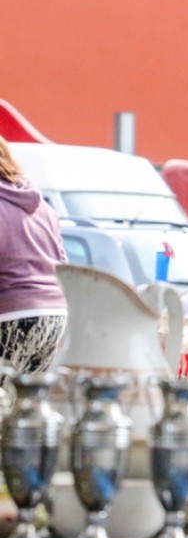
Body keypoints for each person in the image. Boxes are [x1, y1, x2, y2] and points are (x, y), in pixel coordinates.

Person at [0, 135, 68, 376]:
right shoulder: (42, 207)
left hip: (10, 316)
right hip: (55, 317)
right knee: (26, 400)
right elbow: (62, 262)